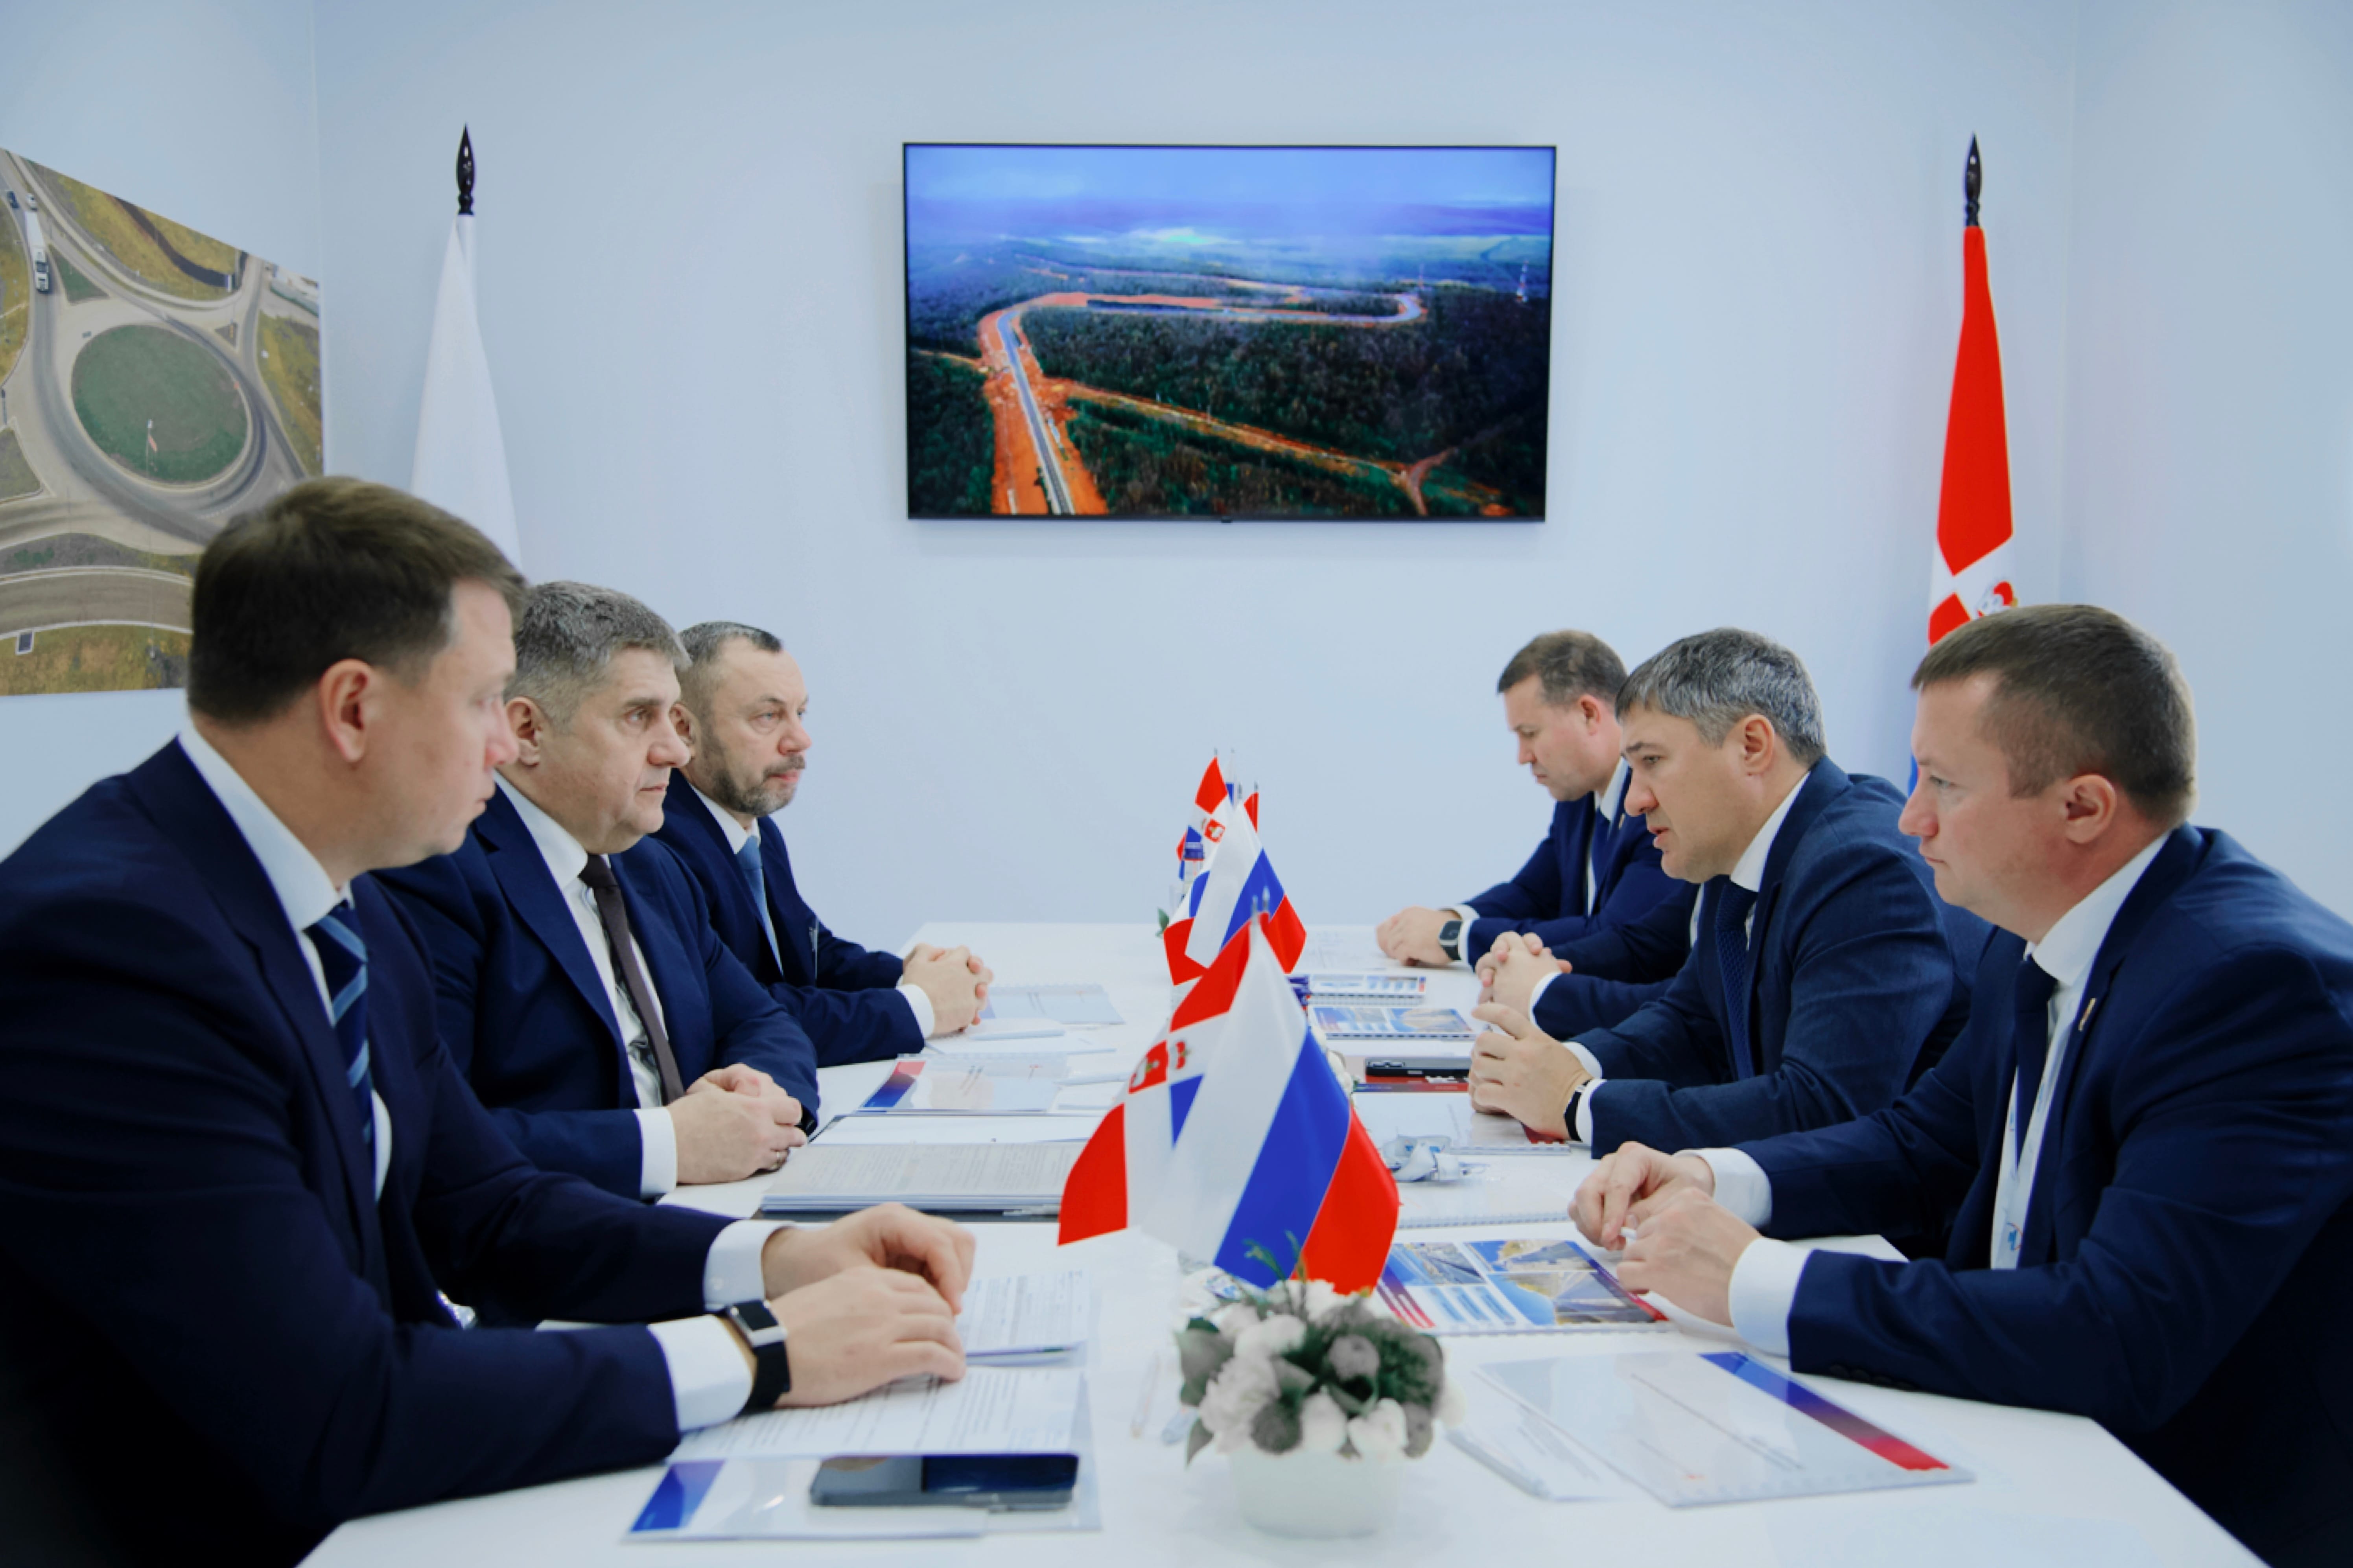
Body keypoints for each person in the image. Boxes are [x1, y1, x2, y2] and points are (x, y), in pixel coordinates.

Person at [0, 478, 974, 1566]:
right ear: (354, 708)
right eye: (480, 704)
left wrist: (783, 1258)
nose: (504, 748)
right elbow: (333, 1404)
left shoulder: (343, 894)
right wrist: (761, 1352)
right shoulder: (111, 945)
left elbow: (489, 1207)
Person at [1572, 605, 2353, 1567]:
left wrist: (1755, 1278)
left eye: (1943, 783)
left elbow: (2119, 1329)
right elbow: (1920, 1143)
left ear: (2082, 807)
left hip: (2194, 1511)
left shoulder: (2249, 987)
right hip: (2031, 1441)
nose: (1911, 818)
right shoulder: (2038, 930)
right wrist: (1708, 1174)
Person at [377, 583, 820, 1203]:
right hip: (563, 1240)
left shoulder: (649, 863)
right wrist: (665, 1144)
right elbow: (432, 1139)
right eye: (639, 717)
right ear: (527, 731)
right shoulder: (434, 877)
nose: (676, 750)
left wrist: (758, 1096)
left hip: (711, 1203)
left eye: (674, 716)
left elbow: (761, 1019)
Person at [1467, 628, 1987, 1153]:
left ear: (1751, 746)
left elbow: (1821, 1108)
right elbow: (1692, 1021)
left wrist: (1576, 1103)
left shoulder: (1864, 870)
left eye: (1652, 762)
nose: (1634, 801)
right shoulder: (1738, 847)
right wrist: (1564, 1065)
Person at [656, 621, 989, 1066]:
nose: (800, 739)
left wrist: (918, 976)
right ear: (684, 729)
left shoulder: (752, 826)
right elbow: (739, 1013)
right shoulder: (658, 846)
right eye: (768, 716)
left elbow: (810, 955)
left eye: (800, 713)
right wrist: (919, 1007)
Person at [1377, 630, 1690, 972]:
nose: (1522, 757)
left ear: (1588, 714)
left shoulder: (1655, 804)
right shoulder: (1577, 797)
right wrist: (1449, 919)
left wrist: (1455, 938)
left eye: (1530, 734)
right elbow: (1532, 894)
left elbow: (1614, 938)